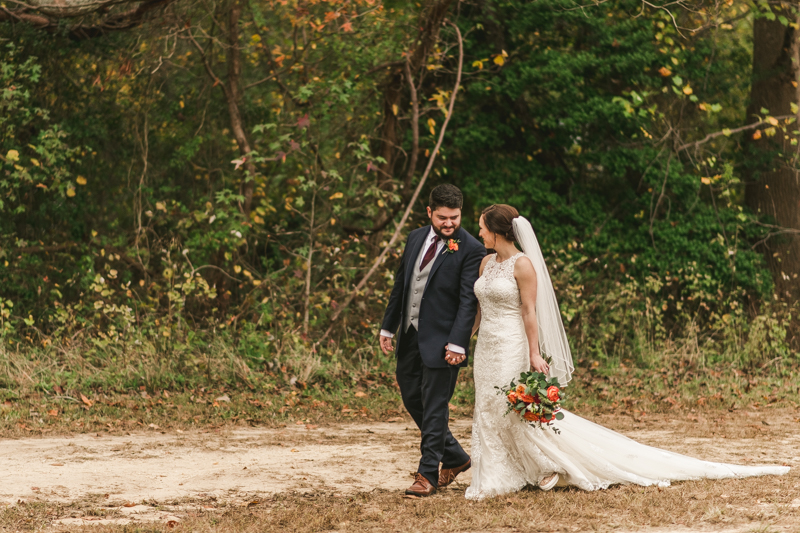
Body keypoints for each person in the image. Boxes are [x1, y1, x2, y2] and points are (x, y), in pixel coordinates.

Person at [461, 203, 790, 500]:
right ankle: (498, 473)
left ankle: (548, 464)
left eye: (482, 227)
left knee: (512, 405)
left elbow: (529, 312)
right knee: (487, 407)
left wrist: (534, 354)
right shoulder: (486, 263)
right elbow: (478, 308)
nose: (479, 232)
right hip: (486, 346)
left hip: (513, 343)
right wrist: (463, 339)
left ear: (498, 230)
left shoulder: (523, 265)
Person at [379, 184, 486, 497]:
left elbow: (468, 301)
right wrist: (389, 326)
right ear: (429, 213)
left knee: (435, 404)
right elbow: (402, 284)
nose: (449, 224)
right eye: (442, 218)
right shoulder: (414, 238)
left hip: (444, 342)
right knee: (412, 396)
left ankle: (427, 474)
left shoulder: (470, 248)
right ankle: (455, 456)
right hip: (410, 335)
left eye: (454, 217)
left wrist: (458, 343)